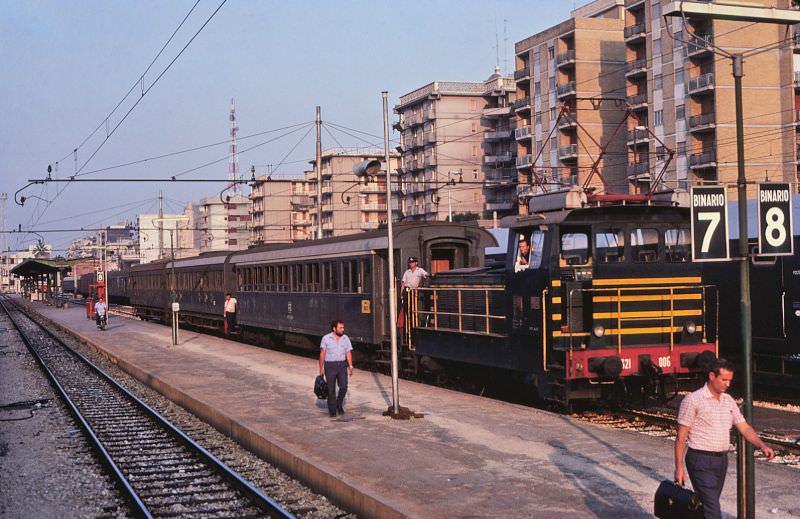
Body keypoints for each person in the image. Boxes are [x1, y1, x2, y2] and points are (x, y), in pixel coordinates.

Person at [674, 358, 775, 519]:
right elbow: (681, 437)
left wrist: (762, 446)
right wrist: (678, 467)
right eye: (724, 380)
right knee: (713, 509)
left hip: (721, 460)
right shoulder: (693, 400)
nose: (728, 384)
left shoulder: (728, 401)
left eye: (730, 380)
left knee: (707, 503)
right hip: (700, 460)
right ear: (712, 376)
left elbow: (745, 427)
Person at [318, 319, 354, 417]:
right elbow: (322, 354)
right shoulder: (326, 338)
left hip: (342, 365)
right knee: (331, 390)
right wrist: (321, 368)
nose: (343, 329)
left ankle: (338, 404)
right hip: (330, 366)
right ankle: (332, 411)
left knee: (343, 387)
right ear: (334, 329)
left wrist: (350, 365)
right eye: (340, 328)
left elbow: (348, 352)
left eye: (343, 327)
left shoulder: (345, 338)